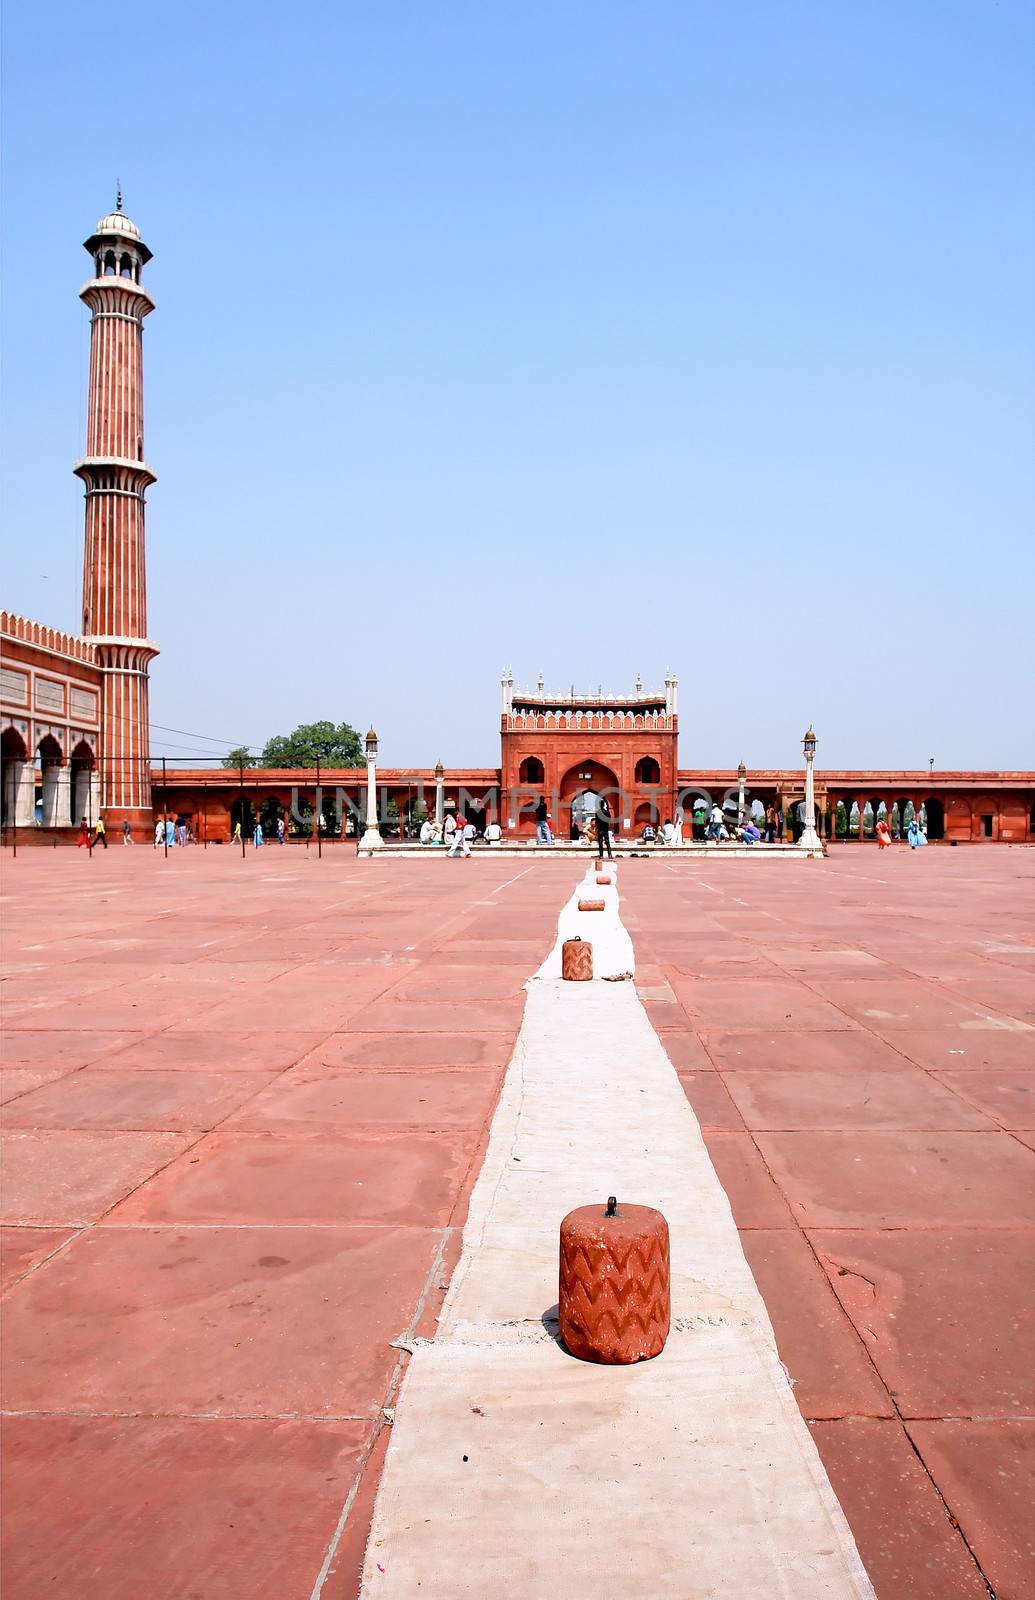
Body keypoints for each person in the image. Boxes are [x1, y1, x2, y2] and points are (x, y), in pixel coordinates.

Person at [597, 795, 614, 860]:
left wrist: (597, 829)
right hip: (605, 829)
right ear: (604, 805)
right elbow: (609, 820)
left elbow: (597, 821)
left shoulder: (598, 812)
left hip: (600, 829)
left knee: (600, 842)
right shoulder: (607, 812)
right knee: (607, 842)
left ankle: (601, 855)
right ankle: (609, 854)